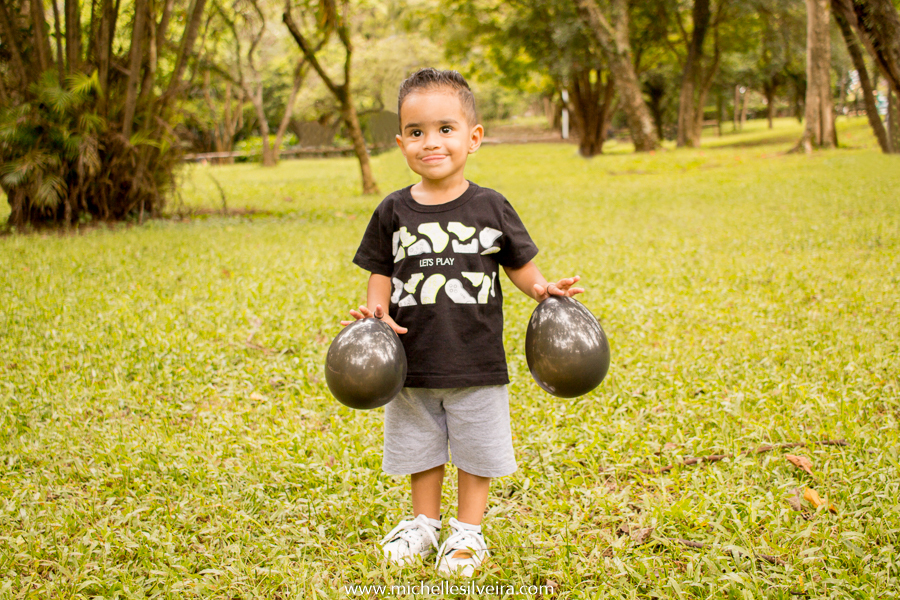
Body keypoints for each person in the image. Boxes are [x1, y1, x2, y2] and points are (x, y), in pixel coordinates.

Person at [343, 67, 583, 577]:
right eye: (416, 132)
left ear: (473, 138)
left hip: (476, 360)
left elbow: (518, 263)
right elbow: (380, 271)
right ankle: (423, 525)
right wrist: (376, 312)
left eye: (445, 129)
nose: (431, 142)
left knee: (478, 451)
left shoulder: (491, 205)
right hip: (412, 359)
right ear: (401, 141)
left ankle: (467, 534)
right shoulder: (392, 211)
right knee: (419, 448)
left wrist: (542, 290)